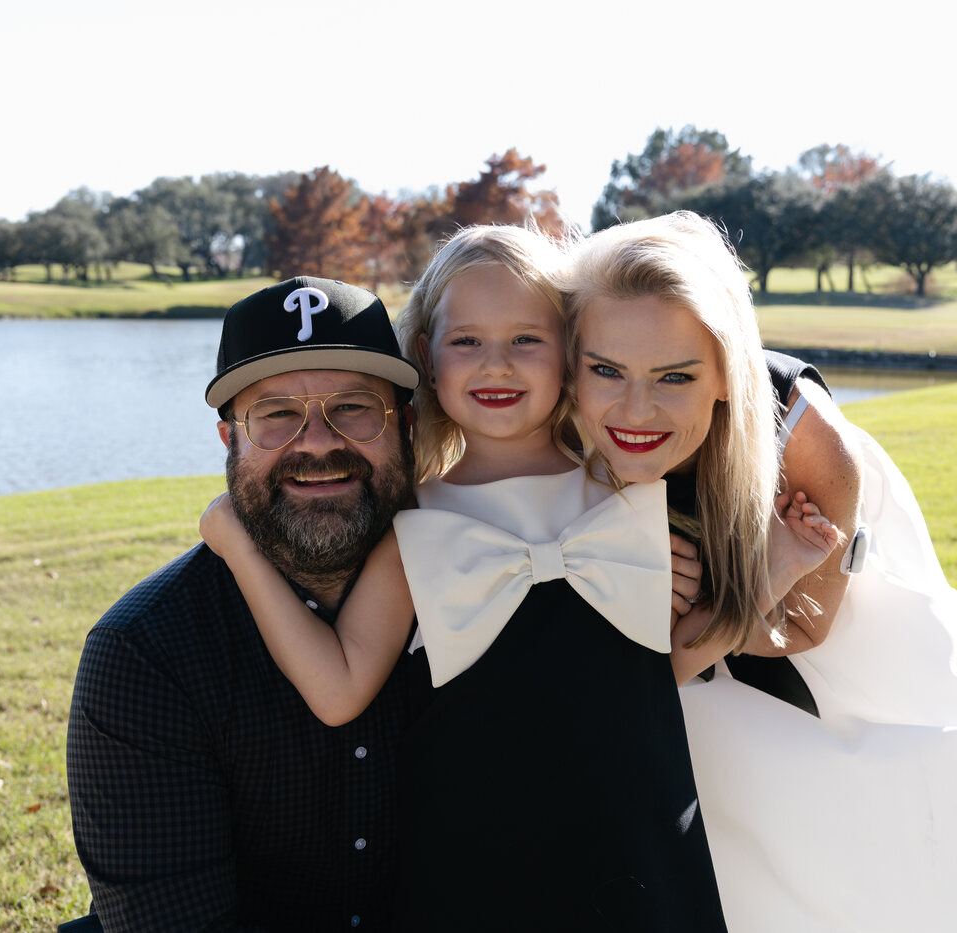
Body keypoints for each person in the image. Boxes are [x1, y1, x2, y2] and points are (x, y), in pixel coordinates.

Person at [199, 224, 842, 932]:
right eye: (467, 341)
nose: (496, 365)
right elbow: (337, 687)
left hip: (642, 851)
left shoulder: (628, 496)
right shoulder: (417, 526)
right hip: (479, 870)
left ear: (571, 355)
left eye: (526, 340)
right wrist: (240, 549)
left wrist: (778, 567)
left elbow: (658, 675)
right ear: (427, 359)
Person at [564, 211, 957, 932]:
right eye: (606, 370)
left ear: (726, 373)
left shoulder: (804, 439)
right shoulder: (556, 414)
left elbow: (800, 631)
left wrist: (746, 580)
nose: (636, 408)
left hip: (834, 671)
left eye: (676, 376)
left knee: (895, 858)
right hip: (686, 666)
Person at [65, 277, 429, 932]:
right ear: (228, 439)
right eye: (276, 413)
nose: (317, 441)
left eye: (354, 407)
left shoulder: (485, 598)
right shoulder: (146, 653)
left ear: (404, 426)